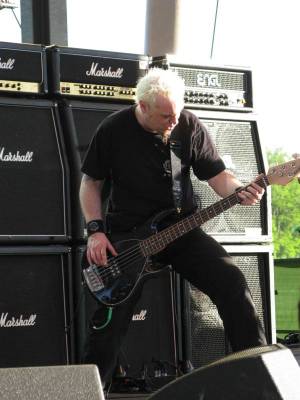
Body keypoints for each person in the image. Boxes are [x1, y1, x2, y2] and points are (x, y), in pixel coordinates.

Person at [79, 68, 267, 384]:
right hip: (128, 237)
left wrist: (240, 191)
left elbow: (218, 176)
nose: (174, 121)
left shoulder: (188, 125)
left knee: (234, 285)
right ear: (142, 107)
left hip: (182, 229)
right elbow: (91, 183)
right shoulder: (113, 129)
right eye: (166, 116)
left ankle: (258, 380)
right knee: (110, 320)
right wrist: (95, 231)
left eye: (177, 113)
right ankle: (87, 391)